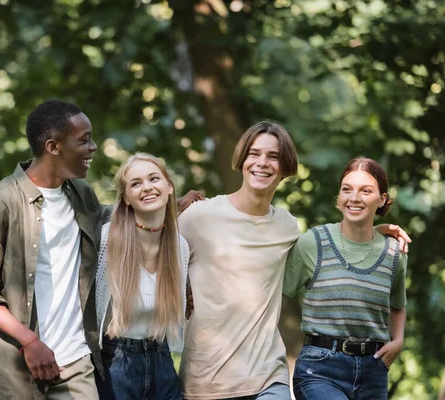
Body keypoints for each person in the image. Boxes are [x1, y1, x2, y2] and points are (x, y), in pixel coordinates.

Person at [177, 121, 410, 399]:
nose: (262, 162)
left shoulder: (287, 227)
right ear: (241, 160)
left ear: (285, 167)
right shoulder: (197, 216)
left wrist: (374, 233)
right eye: (254, 153)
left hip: (268, 377)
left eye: (273, 156)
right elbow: (149, 255)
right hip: (205, 379)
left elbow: (342, 243)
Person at [0, 100, 110, 399]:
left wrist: (168, 206)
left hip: (75, 363)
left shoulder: (81, 194)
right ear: (53, 147)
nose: (93, 147)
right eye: (84, 140)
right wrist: (30, 342)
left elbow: (113, 219)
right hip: (12, 375)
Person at [283, 157, 407, 400]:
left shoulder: (394, 254)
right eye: (347, 189)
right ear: (339, 196)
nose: (354, 197)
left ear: (382, 199)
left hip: (374, 371)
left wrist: (399, 341)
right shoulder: (313, 243)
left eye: (366, 191)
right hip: (319, 369)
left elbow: (398, 305)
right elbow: (276, 296)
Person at [95, 153, 189, 400]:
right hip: (114, 362)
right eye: (136, 183)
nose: (147, 187)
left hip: (161, 359)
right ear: (126, 198)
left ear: (169, 186)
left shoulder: (179, 246)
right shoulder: (106, 240)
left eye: (154, 179)